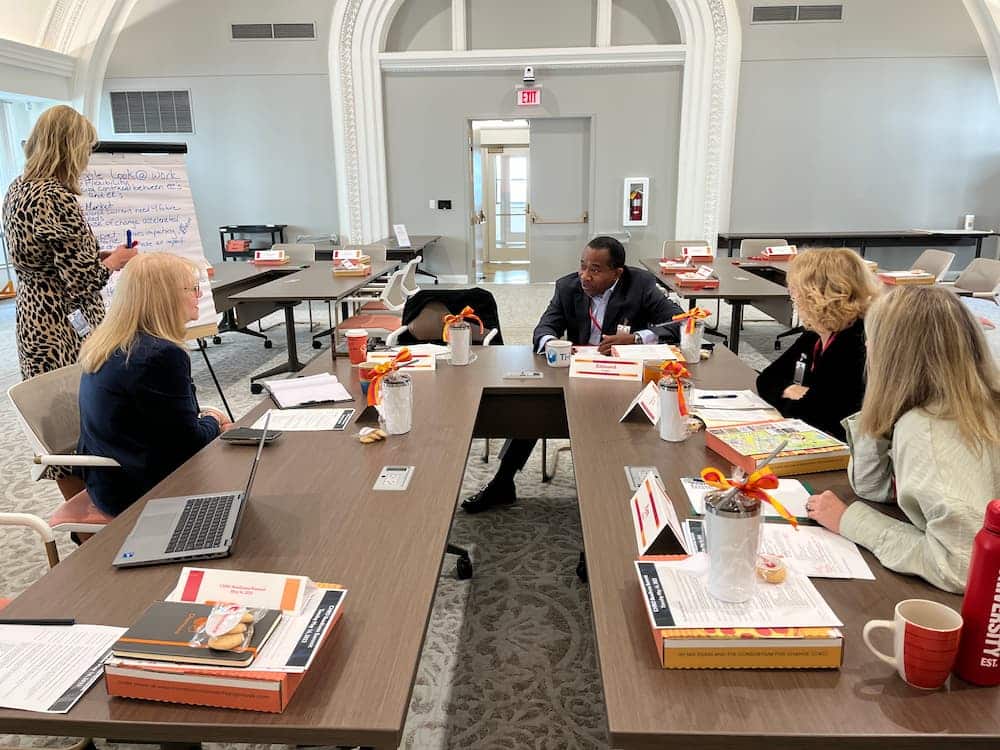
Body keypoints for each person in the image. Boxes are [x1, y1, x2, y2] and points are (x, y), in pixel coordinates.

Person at [462, 236, 685, 513]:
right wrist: (553, 345)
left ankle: (619, 493)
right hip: (577, 372)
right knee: (530, 406)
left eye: (595, 269)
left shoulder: (641, 286)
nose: (585, 276)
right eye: (583, 266)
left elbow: (680, 322)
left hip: (624, 378)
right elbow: (543, 328)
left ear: (617, 273)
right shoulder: (567, 287)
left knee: (626, 430)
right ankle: (503, 484)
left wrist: (637, 339)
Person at [806, 286, 1000, 593]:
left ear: (894, 353)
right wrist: (879, 408)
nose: (867, 345)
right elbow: (874, 487)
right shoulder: (951, 400)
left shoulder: (930, 429)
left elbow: (961, 566)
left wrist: (851, 521)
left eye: (874, 338)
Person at [3, 105, 137, 498]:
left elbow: (44, 257)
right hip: (65, 323)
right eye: (86, 148)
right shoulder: (57, 197)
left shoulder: (18, 188)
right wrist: (114, 261)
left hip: (33, 316)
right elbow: (81, 282)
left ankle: (80, 506)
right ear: (70, 147)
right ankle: (89, 510)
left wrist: (97, 255)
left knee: (54, 418)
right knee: (81, 414)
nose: (88, 158)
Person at [77, 253, 233, 517]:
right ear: (166, 297)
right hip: (139, 488)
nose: (199, 296)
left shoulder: (114, 341)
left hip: (109, 477)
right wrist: (214, 419)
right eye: (193, 289)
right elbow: (189, 446)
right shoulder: (159, 355)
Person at [756, 248, 879, 440]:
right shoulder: (815, 335)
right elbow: (766, 380)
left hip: (844, 452)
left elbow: (813, 414)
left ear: (815, 295)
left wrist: (794, 396)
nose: (792, 297)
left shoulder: (857, 341)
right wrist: (792, 392)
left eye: (795, 290)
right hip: (818, 438)